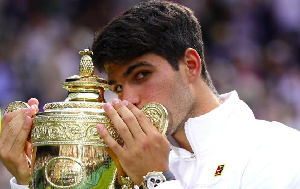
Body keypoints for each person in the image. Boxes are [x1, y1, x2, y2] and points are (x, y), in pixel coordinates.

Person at [1, 1, 300, 188]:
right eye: (117, 87)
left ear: (190, 65)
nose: (126, 99)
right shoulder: (121, 163)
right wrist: (31, 179)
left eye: (141, 75)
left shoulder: (277, 150)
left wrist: (157, 180)